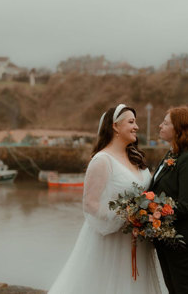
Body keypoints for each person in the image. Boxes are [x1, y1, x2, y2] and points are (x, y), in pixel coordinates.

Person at [49, 104, 162, 294]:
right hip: (111, 242)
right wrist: (123, 216)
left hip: (136, 241)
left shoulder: (136, 158)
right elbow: (90, 204)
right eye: (131, 122)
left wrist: (148, 214)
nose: (137, 127)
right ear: (115, 126)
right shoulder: (102, 160)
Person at [149, 106, 188, 294]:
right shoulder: (172, 155)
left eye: (166, 123)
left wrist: (152, 216)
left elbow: (185, 206)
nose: (160, 125)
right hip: (169, 239)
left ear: (179, 129)